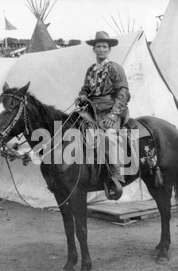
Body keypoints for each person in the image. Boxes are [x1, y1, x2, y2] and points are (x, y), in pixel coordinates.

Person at [75, 31, 130, 184]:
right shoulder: (91, 70)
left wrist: (114, 115)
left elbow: (123, 92)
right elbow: (85, 88)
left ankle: (116, 174)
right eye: (98, 46)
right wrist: (82, 95)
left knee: (109, 137)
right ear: (94, 49)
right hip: (92, 110)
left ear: (109, 49)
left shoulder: (115, 68)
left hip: (111, 110)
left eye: (104, 46)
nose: (101, 49)